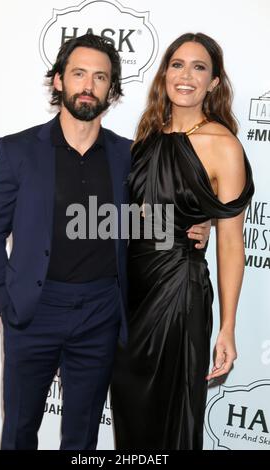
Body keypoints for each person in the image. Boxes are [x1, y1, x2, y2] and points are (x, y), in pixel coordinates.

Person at [0, 33, 210, 450]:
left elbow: (146, 221)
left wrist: (195, 224)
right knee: (18, 431)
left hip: (100, 316)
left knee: (82, 437)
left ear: (112, 90)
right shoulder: (18, 150)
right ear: (58, 82)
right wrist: (3, 301)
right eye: (79, 73)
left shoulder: (131, 156)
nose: (88, 84)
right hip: (34, 312)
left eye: (100, 77)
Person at [111, 32, 254, 450]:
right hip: (130, 296)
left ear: (213, 83)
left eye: (199, 67)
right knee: (131, 417)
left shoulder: (223, 145)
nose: (186, 75)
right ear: (164, 74)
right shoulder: (145, 138)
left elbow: (230, 243)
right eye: (177, 64)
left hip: (179, 293)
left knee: (171, 417)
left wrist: (227, 328)